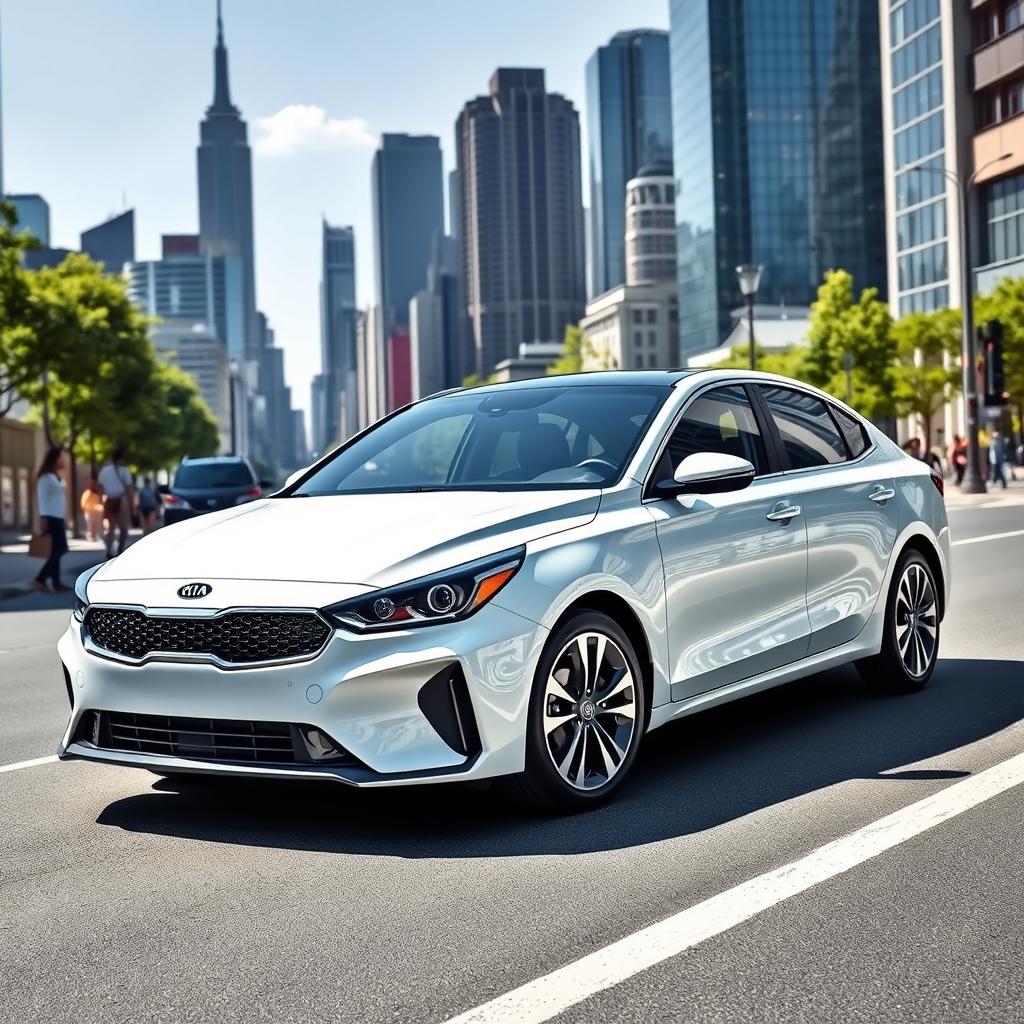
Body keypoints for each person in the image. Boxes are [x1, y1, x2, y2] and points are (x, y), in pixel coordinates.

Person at [33, 446, 70, 593]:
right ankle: (40, 578)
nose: (63, 459)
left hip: (57, 516)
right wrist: (43, 518)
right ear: (55, 459)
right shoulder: (46, 477)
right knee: (61, 549)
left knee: (56, 549)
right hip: (51, 517)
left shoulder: (55, 476)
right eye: (61, 457)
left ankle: (56, 583)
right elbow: (42, 499)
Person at [98, 447, 134, 557]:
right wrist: (132, 505)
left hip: (109, 500)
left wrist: (102, 497)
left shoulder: (104, 471)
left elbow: (100, 485)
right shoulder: (125, 471)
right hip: (121, 499)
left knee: (111, 528)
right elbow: (128, 489)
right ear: (122, 458)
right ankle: (120, 550)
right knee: (124, 529)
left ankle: (109, 550)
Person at [80, 477, 105, 541]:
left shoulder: (98, 492)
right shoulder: (87, 492)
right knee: (90, 525)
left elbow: (101, 501)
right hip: (89, 511)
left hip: (97, 511)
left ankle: (95, 536)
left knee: (96, 524)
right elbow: (83, 502)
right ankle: (90, 536)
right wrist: (84, 509)